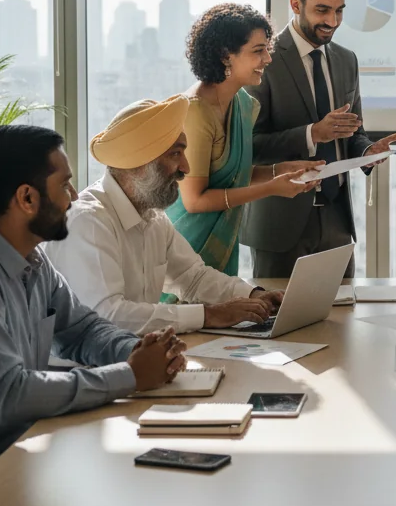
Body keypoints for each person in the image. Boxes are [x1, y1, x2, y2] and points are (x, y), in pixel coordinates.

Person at [0, 125, 187, 506]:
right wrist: (129, 375)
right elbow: (6, 396)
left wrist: (136, 348)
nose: (74, 197)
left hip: (14, 448)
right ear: (27, 198)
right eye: (65, 185)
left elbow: (82, 329)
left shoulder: (31, 259)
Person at [46, 97, 284, 335]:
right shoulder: (88, 221)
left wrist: (255, 296)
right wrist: (210, 315)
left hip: (133, 358)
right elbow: (109, 316)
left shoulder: (154, 216)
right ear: (139, 162)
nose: (186, 168)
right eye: (175, 154)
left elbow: (193, 278)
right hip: (83, 369)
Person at [240, 0, 396, 279]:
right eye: (322, 10)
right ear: (295, 3)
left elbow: (352, 133)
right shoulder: (263, 59)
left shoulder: (346, 60)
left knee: (343, 325)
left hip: (338, 220)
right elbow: (249, 147)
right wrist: (312, 134)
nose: (333, 21)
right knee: (281, 324)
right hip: (280, 225)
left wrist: (366, 151)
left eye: (339, 11)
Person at [168, 3, 320, 274]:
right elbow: (194, 200)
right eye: (258, 51)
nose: (268, 60)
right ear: (226, 55)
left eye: (267, 49)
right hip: (187, 253)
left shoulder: (243, 104)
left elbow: (232, 175)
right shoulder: (196, 112)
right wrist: (272, 188)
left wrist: (280, 170)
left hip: (222, 254)